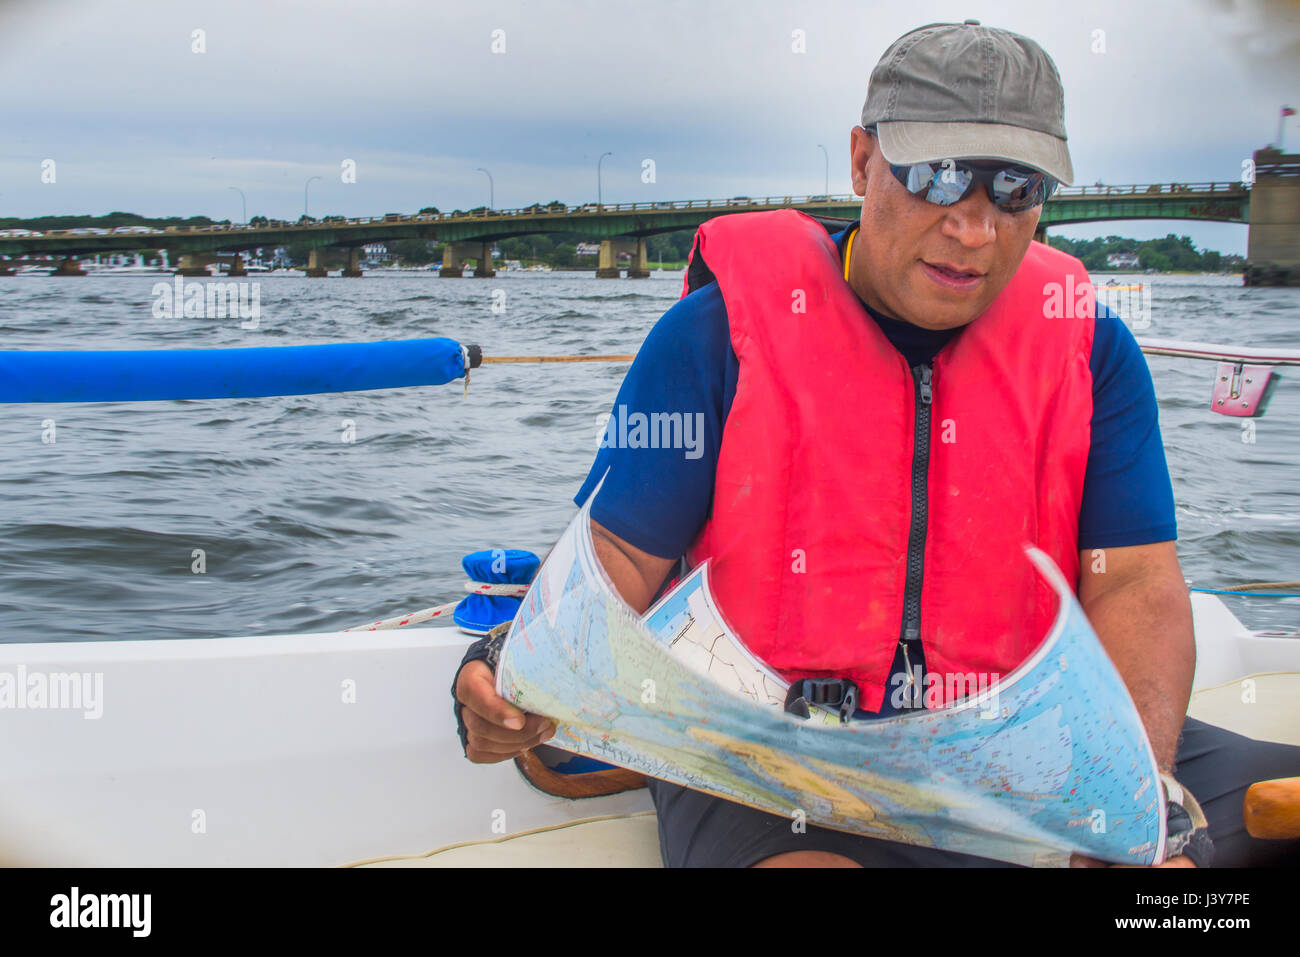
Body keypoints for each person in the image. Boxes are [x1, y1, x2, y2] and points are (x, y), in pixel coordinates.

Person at [453, 20, 1300, 868]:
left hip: (1028, 744)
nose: (975, 230)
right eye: (937, 177)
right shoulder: (715, 339)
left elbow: (1139, 586)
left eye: (1015, 189)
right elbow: (608, 573)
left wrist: (1134, 799)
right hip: (776, 760)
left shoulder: (1089, 346)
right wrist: (499, 669)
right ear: (862, 162)